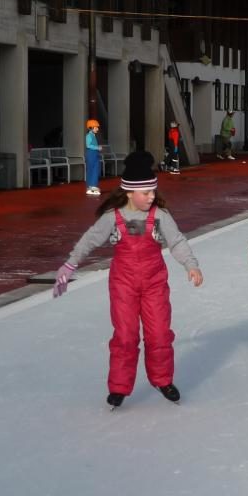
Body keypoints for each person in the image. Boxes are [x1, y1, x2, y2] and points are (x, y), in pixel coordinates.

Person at [52, 151, 203, 409]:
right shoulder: (113, 217)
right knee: (125, 335)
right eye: (146, 193)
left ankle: (163, 379)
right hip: (124, 284)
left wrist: (191, 265)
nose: (151, 197)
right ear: (130, 193)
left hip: (155, 282)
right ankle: (119, 387)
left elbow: (176, 241)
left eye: (153, 192)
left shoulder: (160, 216)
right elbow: (90, 239)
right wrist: (70, 263)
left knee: (159, 334)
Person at [84, 118, 101, 196]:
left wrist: (97, 148)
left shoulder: (93, 135)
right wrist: (97, 147)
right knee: (92, 169)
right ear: (91, 127)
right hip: (91, 154)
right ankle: (91, 186)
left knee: (95, 169)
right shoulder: (89, 136)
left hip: (94, 154)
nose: (97, 128)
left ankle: (92, 186)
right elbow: (88, 145)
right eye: (96, 127)